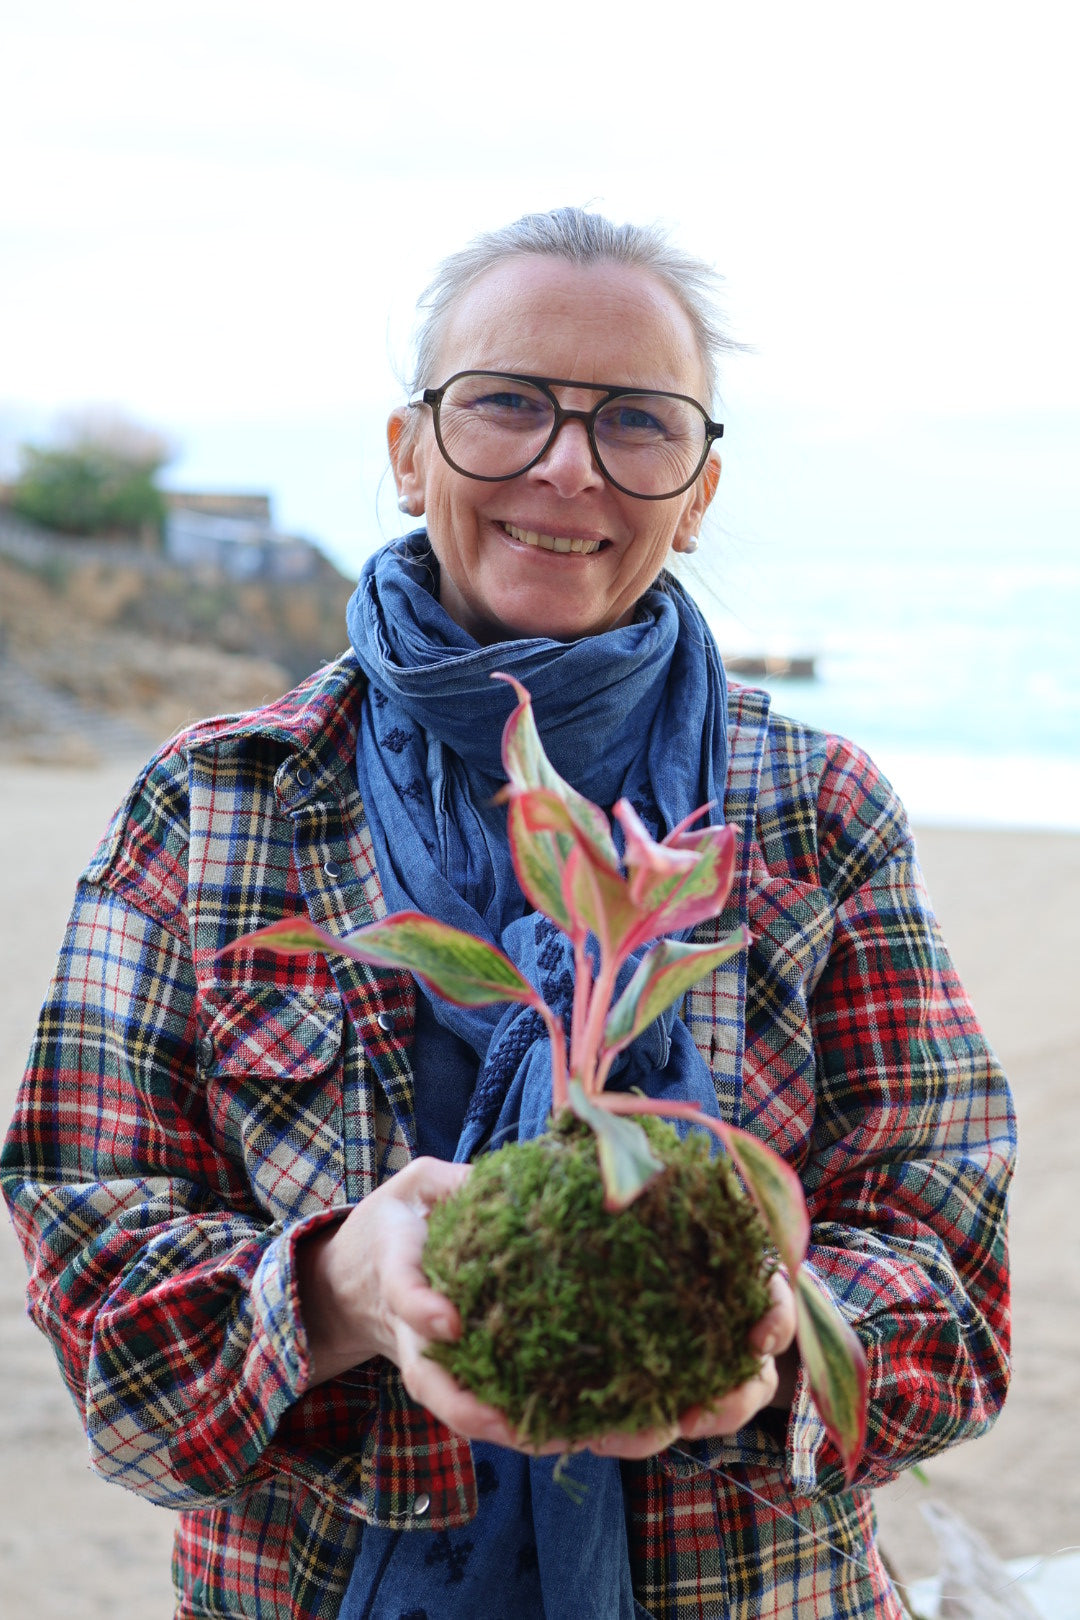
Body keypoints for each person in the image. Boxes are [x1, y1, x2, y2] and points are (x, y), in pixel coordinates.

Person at [1, 208, 1014, 1620]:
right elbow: (103, 1306)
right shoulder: (217, 805)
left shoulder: (816, 809)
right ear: (409, 451)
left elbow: (949, 1279)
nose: (565, 465)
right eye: (506, 405)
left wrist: (771, 1336)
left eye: (637, 425)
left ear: (701, 487)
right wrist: (345, 1290)